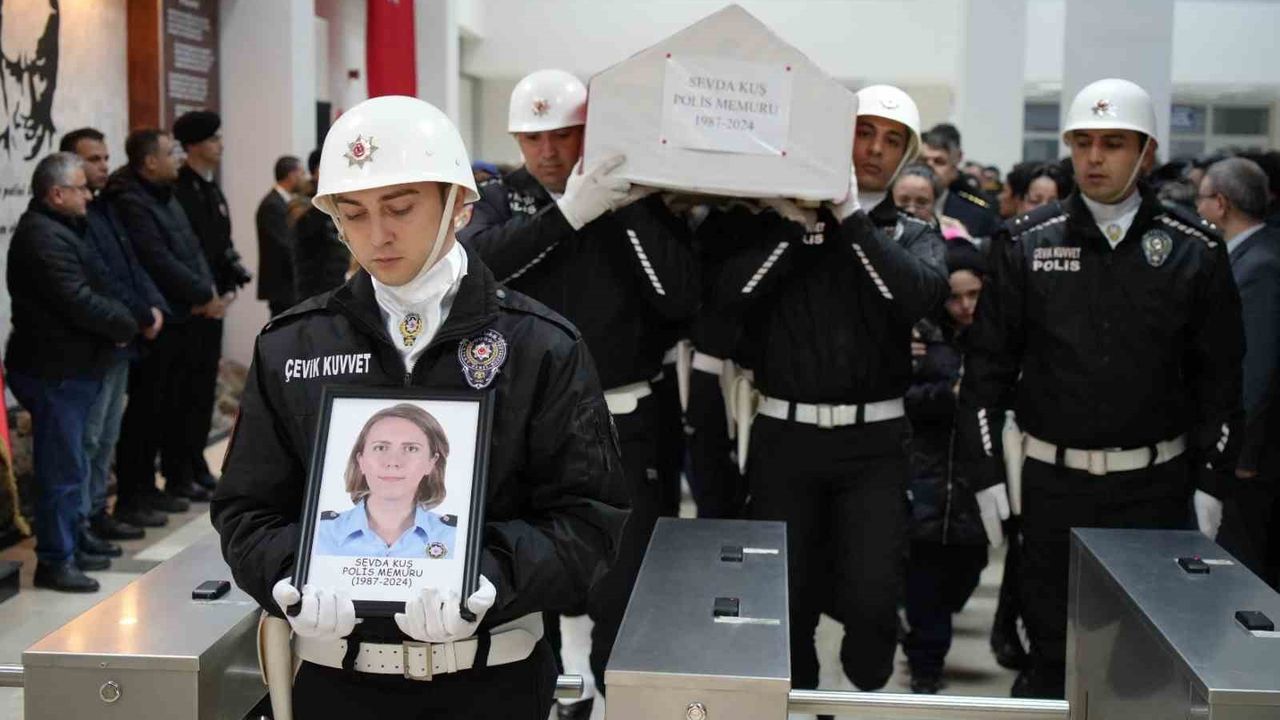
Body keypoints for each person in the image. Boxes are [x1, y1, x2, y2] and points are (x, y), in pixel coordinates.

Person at [211, 95, 626, 718]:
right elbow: (246, 509)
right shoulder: (295, 346)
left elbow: (589, 520)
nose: (376, 235)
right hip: (335, 684)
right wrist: (288, 574)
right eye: (353, 214)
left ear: (459, 204)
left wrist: (488, 577)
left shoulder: (539, 345)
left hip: (492, 683)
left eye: (400, 208)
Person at [957, 78, 1244, 699]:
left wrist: (1211, 480)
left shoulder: (1195, 249)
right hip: (1053, 490)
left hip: (1155, 491)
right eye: (1082, 142)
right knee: (1050, 661)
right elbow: (985, 372)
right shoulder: (1026, 241)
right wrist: (983, 471)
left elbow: (1221, 379)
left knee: (1144, 669)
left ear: (1146, 152)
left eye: (1113, 144)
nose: (1093, 158)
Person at [458, 68, 697, 713]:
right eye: (533, 138)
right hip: (525, 422)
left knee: (621, 575)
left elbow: (680, 298)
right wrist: (566, 216)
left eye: (562, 136)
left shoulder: (636, 202)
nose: (548, 152)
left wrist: (624, 209)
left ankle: (614, 692)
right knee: (534, 571)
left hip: (624, 414)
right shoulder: (500, 197)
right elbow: (474, 266)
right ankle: (559, 689)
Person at [711, 83, 948, 701]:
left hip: (875, 444)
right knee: (786, 601)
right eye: (864, 132)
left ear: (907, 154)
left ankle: (859, 690)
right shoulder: (777, 221)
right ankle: (802, 699)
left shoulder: (913, 232)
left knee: (872, 601)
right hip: (785, 438)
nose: (874, 148)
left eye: (891, 139)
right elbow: (725, 306)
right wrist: (796, 225)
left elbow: (918, 297)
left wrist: (850, 217)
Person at [6, 153, 140, 591]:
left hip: (74, 365)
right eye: (80, 188)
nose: (88, 195)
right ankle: (55, 559)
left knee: (76, 462)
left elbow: (102, 283)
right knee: (61, 470)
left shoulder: (66, 227)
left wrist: (127, 316)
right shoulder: (42, 237)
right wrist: (125, 324)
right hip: (53, 369)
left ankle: (74, 541)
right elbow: (77, 299)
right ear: (57, 193)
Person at [60, 128, 169, 546]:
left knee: (106, 435)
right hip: (98, 340)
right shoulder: (74, 219)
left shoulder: (104, 206)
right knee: (88, 439)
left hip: (120, 336)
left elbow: (129, 267)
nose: (104, 166)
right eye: (94, 159)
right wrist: (134, 317)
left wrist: (147, 309)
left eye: (106, 158)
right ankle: (82, 523)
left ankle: (95, 512)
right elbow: (98, 278)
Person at [105, 128, 218, 528]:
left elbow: (191, 248)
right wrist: (200, 293)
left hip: (183, 314)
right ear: (150, 162)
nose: (179, 158)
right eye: (171, 152)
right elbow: (155, 258)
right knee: (145, 413)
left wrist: (207, 290)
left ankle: (157, 486)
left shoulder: (165, 194)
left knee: (171, 407)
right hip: (160, 319)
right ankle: (134, 493)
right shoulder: (130, 201)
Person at [903, 240, 991, 695]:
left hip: (976, 478)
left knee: (969, 567)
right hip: (927, 472)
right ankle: (926, 664)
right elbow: (902, 398)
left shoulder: (998, 338)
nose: (966, 306)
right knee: (926, 577)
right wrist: (948, 396)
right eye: (956, 297)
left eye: (974, 294)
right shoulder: (920, 337)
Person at [1197, 157, 1280, 590]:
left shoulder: (1259, 265)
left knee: (1244, 562)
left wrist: (1242, 453)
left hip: (1254, 459)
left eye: (1202, 199)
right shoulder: (1246, 255)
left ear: (1221, 204)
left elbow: (1256, 368)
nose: (1198, 209)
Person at [173, 110, 250, 499]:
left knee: (204, 388)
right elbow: (184, 252)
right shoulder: (179, 190)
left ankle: (196, 463)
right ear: (193, 146)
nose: (220, 145)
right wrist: (203, 295)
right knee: (183, 391)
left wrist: (229, 287)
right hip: (191, 307)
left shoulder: (211, 188)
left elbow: (222, 245)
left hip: (215, 303)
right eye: (213, 139)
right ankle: (179, 469)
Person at [314, 404, 457, 559]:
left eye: (411, 449)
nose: (393, 462)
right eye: (381, 448)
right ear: (361, 460)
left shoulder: (456, 536)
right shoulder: (319, 532)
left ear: (431, 463)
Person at [919, 127, 1003, 239]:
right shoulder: (900, 205)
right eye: (923, 161)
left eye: (939, 162)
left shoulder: (976, 215)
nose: (929, 168)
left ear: (953, 169)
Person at [293, 148, 351, 300]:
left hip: (339, 283)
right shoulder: (302, 205)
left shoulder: (337, 200)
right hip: (315, 289)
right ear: (316, 171)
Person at [258, 155, 305, 316]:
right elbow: (284, 244)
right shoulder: (272, 205)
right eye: (302, 173)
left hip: (290, 286)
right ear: (292, 175)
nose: (304, 178)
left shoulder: (286, 202)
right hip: (282, 287)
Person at [891, 163, 971, 241]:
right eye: (904, 201)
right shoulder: (883, 234)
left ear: (934, 203)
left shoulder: (952, 237)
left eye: (921, 203)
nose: (911, 210)